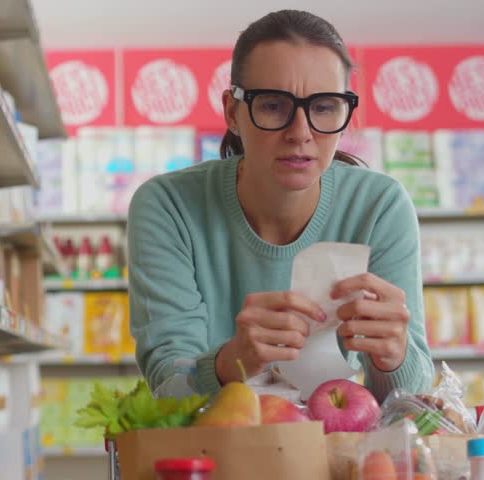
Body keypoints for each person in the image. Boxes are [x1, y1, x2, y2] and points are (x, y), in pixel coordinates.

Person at [126, 9, 434, 402]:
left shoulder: (380, 206)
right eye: (273, 105)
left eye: (324, 107)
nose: (300, 133)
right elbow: (167, 390)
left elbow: (412, 400)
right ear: (233, 112)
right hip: (215, 454)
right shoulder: (168, 207)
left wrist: (395, 356)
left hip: (338, 450)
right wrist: (230, 362)